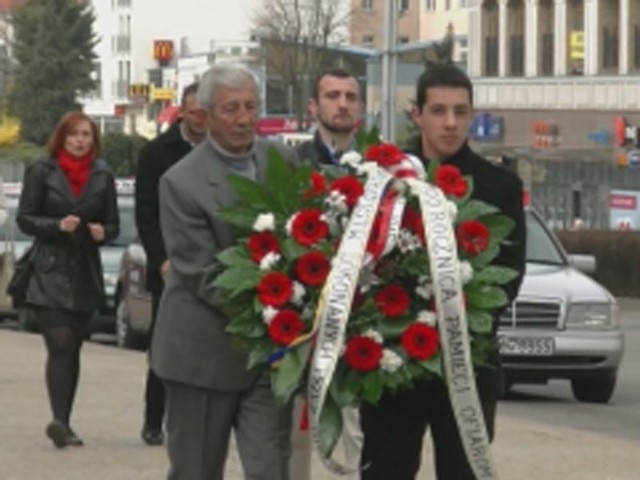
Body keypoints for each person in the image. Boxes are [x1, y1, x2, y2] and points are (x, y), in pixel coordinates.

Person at [359, 64, 527, 479]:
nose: (450, 123)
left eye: (460, 111)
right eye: (438, 111)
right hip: (394, 360)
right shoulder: (384, 180)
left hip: (468, 363)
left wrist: (453, 318)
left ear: (472, 114)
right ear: (416, 114)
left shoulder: (499, 186)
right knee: (386, 470)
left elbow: (509, 274)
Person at [151, 63, 296, 479]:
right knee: (196, 470)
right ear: (206, 116)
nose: (244, 118)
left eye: (251, 106)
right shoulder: (180, 183)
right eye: (231, 108)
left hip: (269, 358)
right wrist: (279, 308)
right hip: (202, 355)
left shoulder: (283, 159)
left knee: (271, 467)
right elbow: (202, 272)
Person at [16, 111, 119, 448]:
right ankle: (59, 420)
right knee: (59, 343)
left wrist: (103, 232)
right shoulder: (42, 171)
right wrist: (56, 226)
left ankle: (66, 420)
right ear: (62, 137)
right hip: (48, 269)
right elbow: (25, 219)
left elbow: (113, 223)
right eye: (74, 134)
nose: (80, 141)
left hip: (84, 269)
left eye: (86, 135)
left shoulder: (103, 175)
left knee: (73, 346)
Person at [292, 67, 364, 480]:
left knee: (355, 440)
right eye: (333, 96)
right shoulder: (291, 163)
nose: (342, 104)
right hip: (302, 328)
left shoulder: (380, 167)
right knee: (297, 446)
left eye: (350, 97)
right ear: (314, 107)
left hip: (360, 326)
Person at [134, 81, 206, 446]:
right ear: (182, 111)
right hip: (169, 267)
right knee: (165, 345)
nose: (201, 121)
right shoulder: (157, 153)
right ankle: (153, 418)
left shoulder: (221, 150)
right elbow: (146, 214)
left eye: (206, 113)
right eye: (195, 114)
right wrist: (160, 259)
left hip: (209, 264)